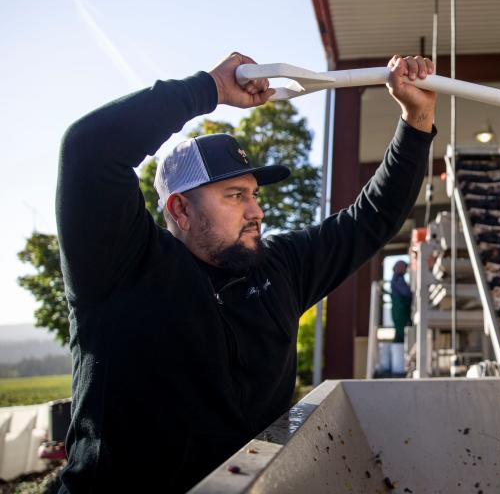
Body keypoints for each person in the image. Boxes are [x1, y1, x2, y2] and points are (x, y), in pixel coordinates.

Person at [55, 52, 436, 493]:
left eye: (254, 194)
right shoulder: (120, 264)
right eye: (235, 195)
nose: (256, 211)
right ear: (180, 209)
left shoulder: (279, 268)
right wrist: (210, 89)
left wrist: (417, 119)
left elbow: (372, 218)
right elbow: (89, 147)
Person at [389, 260, 412, 343]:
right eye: (405, 268)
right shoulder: (398, 279)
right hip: (400, 311)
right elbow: (406, 293)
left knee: (400, 334)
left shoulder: (397, 278)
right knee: (402, 334)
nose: (406, 270)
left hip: (400, 311)